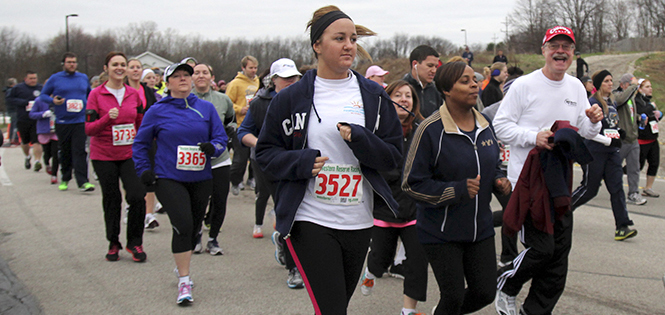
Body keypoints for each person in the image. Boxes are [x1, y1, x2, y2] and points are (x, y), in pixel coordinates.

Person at [255, 6, 403, 314]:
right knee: (332, 308)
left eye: (352, 38)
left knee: (336, 307)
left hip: (359, 220)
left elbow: (392, 158)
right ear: (317, 45)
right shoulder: (290, 98)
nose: (349, 45)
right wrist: (301, 162)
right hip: (311, 218)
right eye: (339, 38)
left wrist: (362, 139)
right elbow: (265, 154)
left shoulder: (375, 96)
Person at [493, 26, 603, 315]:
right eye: (555, 46)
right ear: (544, 50)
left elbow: (586, 131)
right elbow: (501, 126)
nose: (560, 52)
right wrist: (535, 136)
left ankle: (535, 311)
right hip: (528, 181)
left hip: (560, 182)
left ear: (572, 54)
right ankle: (505, 286)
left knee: (558, 259)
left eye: (567, 47)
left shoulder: (576, 87)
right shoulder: (524, 86)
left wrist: (593, 120)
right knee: (542, 249)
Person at [402, 61, 510, 315]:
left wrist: (498, 179)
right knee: (452, 297)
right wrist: (457, 190)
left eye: (474, 79)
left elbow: (493, 163)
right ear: (447, 90)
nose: (474, 85)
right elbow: (411, 184)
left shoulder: (485, 123)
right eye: (465, 81)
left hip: (480, 229)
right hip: (441, 232)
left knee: (485, 292)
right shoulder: (430, 130)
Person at [133, 62, 228, 305]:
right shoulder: (157, 110)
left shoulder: (206, 109)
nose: (184, 79)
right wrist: (144, 170)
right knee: (183, 225)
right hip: (169, 178)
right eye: (177, 76)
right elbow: (141, 144)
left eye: (187, 75)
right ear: (169, 82)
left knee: (195, 227)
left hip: (200, 177)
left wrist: (213, 148)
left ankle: (181, 263)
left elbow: (220, 138)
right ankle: (184, 281)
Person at [359, 80, 428, 315]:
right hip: (385, 207)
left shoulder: (422, 129)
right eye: (397, 95)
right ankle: (370, 274)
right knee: (381, 259)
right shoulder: (376, 130)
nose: (404, 99)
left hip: (416, 208)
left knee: (418, 262)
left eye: (408, 96)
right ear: (386, 101)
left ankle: (408, 311)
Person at [238, 58, 305, 288]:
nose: (291, 82)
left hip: (300, 163)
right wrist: (262, 144)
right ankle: (294, 268)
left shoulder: (306, 100)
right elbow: (243, 132)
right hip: (271, 165)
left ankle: (286, 243)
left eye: (294, 77)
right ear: (273, 80)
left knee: (302, 212)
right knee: (287, 210)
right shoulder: (260, 103)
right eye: (286, 78)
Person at [85, 51, 147, 263]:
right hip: (104, 154)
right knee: (112, 199)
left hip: (129, 153)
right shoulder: (96, 95)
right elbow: (89, 129)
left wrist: (143, 147)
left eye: (123, 64)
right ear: (106, 69)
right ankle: (113, 242)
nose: (119, 68)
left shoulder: (133, 94)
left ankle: (135, 242)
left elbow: (140, 124)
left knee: (138, 196)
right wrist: (105, 119)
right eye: (115, 65)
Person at [571, 70, 638, 240]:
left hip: (612, 154)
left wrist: (618, 133)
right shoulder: (592, 103)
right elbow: (587, 132)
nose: (610, 83)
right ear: (599, 84)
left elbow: (610, 126)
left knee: (617, 189)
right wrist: (608, 140)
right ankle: (559, 211)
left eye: (611, 80)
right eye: (607, 81)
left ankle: (622, 226)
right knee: (589, 189)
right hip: (594, 152)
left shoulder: (612, 103)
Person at [191, 63, 236, 255]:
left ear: (212, 77)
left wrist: (230, 131)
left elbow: (231, 121)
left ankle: (213, 239)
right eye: (197, 72)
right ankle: (196, 236)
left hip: (220, 158)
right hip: (194, 160)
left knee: (219, 200)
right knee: (197, 202)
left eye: (205, 73)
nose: (201, 76)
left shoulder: (223, 100)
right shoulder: (185, 100)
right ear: (191, 77)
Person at [39, 52, 95, 192]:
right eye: (69, 62)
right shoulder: (55, 78)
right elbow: (43, 95)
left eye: (74, 62)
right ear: (63, 63)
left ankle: (83, 181)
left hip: (80, 120)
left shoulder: (82, 78)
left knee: (80, 150)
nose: (72, 64)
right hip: (63, 121)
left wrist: (89, 105)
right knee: (65, 151)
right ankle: (65, 178)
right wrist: (53, 101)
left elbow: (90, 94)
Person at [126, 58, 161, 229]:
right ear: (127, 71)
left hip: (148, 138)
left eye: (138, 67)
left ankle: (149, 214)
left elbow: (155, 113)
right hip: (126, 139)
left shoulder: (148, 92)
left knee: (149, 175)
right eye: (131, 67)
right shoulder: (122, 91)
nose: (135, 70)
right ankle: (130, 206)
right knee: (131, 176)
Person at [226, 55, 259, 197]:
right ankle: (235, 180)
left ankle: (252, 178)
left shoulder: (258, 82)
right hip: (240, 125)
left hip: (256, 124)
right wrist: (240, 109)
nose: (253, 71)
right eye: (250, 68)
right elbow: (227, 103)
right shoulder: (235, 84)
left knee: (256, 155)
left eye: (255, 68)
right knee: (241, 157)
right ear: (243, 68)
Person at [614, 73, 647, 205]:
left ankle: (633, 193)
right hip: (622, 141)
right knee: (614, 168)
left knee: (634, 168)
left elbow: (631, 114)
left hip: (633, 139)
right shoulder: (617, 95)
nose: (634, 87)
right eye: (630, 84)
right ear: (623, 85)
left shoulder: (631, 99)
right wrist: (633, 86)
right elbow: (620, 101)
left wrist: (639, 118)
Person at [7, 71, 43, 171]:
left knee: (37, 141)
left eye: (34, 78)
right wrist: (23, 103)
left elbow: (47, 98)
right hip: (23, 118)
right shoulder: (18, 88)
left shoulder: (40, 88)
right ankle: (27, 157)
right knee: (25, 141)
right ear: (25, 79)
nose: (33, 80)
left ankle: (37, 161)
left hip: (36, 119)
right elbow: (9, 99)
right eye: (31, 78)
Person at [636, 78, 661, 198]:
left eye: (650, 86)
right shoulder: (637, 101)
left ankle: (648, 188)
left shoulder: (650, 102)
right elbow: (641, 113)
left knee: (654, 163)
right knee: (638, 165)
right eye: (647, 87)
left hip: (653, 138)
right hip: (642, 139)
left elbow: (652, 117)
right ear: (640, 89)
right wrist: (651, 107)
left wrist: (658, 115)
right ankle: (611, 175)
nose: (650, 89)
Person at [403, 45, 442, 118]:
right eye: (430, 66)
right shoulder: (400, 89)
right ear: (415, 64)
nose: (434, 71)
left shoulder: (437, 91)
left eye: (436, 67)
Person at [29, 96, 59, 184]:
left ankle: (54, 175)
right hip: (44, 130)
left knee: (55, 153)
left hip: (56, 130)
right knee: (47, 152)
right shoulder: (39, 100)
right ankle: (47, 163)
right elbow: (32, 114)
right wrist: (43, 114)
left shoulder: (60, 99)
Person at [4, 78, 18, 145]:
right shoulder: (11, 91)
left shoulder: (8, 91)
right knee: (14, 124)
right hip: (14, 109)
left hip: (11, 109)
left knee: (14, 124)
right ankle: (13, 138)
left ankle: (15, 138)